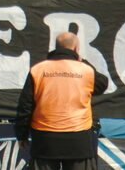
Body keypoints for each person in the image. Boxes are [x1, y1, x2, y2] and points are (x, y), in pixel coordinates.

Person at [15, 32, 109, 169]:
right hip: (79, 139)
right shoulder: (86, 70)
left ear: (55, 47)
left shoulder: (38, 69)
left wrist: (21, 135)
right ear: (76, 48)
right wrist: (82, 61)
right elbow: (102, 85)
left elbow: (25, 106)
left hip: (45, 140)